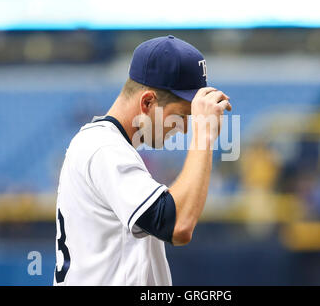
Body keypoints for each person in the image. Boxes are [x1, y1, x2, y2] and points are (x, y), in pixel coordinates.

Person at [54, 35, 231, 285]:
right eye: (181, 115)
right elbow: (177, 225)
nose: (182, 128)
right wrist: (204, 136)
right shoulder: (103, 147)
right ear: (147, 102)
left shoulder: (104, 144)